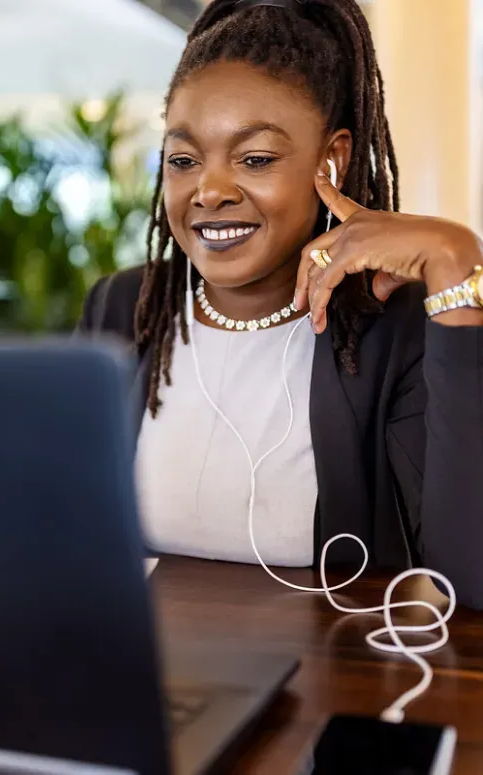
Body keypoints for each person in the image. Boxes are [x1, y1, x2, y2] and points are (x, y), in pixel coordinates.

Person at [78, 0, 483, 609]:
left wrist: (457, 264)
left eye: (256, 158)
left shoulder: (391, 329)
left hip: (324, 689)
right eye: (183, 160)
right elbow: (60, 534)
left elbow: (470, 582)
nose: (210, 191)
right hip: (135, 683)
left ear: (333, 160)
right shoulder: (124, 309)